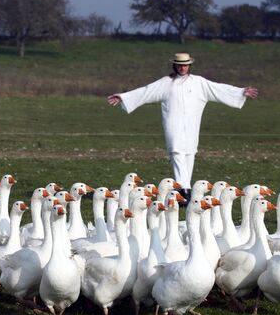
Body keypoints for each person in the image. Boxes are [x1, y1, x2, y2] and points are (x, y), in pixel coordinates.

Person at [108, 52, 258, 202]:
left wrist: (240, 92)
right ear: (175, 65)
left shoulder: (199, 82)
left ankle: (186, 190)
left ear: (189, 65)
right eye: (180, 65)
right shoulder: (166, 82)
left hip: (192, 124)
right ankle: (184, 190)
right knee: (176, 152)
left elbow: (218, 89)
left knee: (189, 153)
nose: (182, 68)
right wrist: (124, 97)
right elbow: (146, 91)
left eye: (185, 65)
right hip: (173, 123)